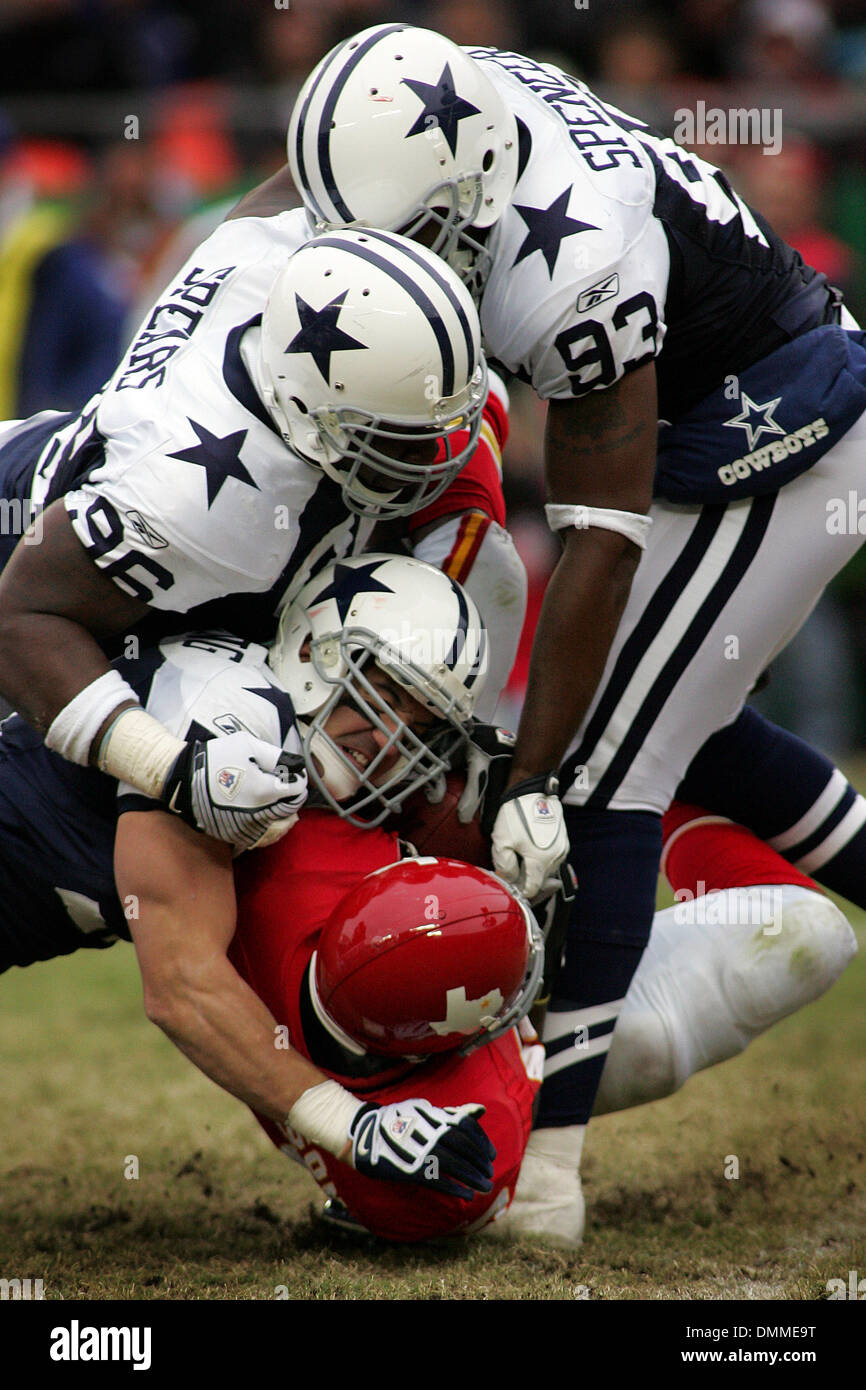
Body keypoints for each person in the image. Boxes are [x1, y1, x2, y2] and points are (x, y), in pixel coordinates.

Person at [277, 22, 866, 1238]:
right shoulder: (438, 112)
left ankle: (545, 1180)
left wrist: (533, 775)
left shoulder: (576, 269)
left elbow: (595, 535)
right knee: (682, 724)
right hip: (700, 427)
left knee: (602, 770)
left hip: (780, 438)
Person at [0, 219, 524, 863]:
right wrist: (169, 770)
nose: (433, 454)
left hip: (88, 523)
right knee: (221, 756)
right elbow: (19, 620)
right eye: (397, 435)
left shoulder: (283, 249)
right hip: (34, 591)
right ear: (313, 412)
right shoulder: (197, 509)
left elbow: (299, 183)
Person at [0, 553, 499, 1202]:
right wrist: (354, 1126)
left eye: (420, 726)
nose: (390, 739)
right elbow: (183, 989)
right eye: (388, 694)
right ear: (321, 652)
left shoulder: (266, 721)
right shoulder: (234, 718)